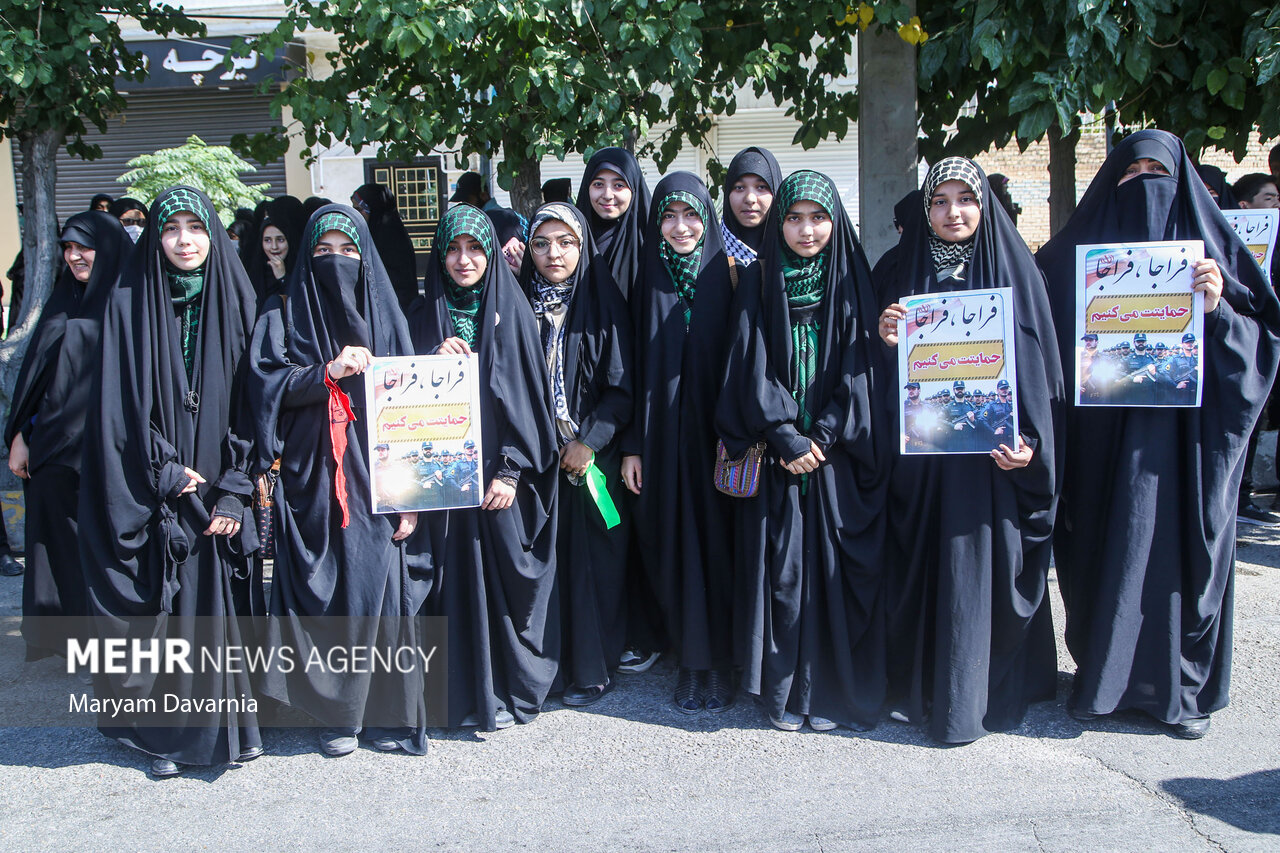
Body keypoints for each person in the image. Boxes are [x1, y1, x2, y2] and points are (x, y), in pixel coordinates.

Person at [1037, 129, 1280, 739]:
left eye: (1158, 170)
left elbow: (1262, 345)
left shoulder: (1213, 259)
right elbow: (1026, 332)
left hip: (1182, 448)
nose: (1143, 182)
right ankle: (1101, 681)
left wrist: (1219, 308)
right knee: (1100, 549)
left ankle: (1180, 690)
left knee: (1174, 556)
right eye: (1130, 171)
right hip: (1098, 441)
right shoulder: (1071, 258)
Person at [77, 186, 262, 777]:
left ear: (213, 234)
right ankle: (164, 735)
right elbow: (114, 405)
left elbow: (256, 404)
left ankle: (226, 730)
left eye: (196, 227)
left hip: (218, 479)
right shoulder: (127, 303)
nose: (185, 240)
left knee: (214, 597)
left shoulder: (237, 299)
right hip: (156, 479)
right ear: (155, 237)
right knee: (166, 601)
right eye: (171, 228)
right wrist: (161, 467)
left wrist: (235, 485)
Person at [878, 157, 1064, 744]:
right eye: (939, 201)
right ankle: (923, 687)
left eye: (965, 200)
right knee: (921, 567)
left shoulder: (1017, 270)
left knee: (981, 572)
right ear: (925, 209)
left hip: (989, 469)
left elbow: (1041, 371)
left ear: (984, 208)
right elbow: (863, 370)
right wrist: (882, 340)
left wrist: (1030, 443)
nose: (952, 212)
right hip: (921, 466)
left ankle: (978, 692)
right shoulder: (897, 271)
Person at [248, 204, 431, 756]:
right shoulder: (280, 314)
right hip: (311, 483)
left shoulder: (388, 318)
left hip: (377, 481)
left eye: (348, 250)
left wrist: (412, 496)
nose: (336, 261)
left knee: (374, 590)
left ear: (366, 256)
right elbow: (262, 389)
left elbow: (415, 412)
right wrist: (324, 372)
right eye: (323, 251)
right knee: (318, 593)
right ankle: (332, 713)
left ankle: (383, 712)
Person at [716, 169, 890, 732]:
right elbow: (748, 367)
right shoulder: (759, 282)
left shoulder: (850, 279)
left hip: (835, 463)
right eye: (794, 218)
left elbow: (864, 370)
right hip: (779, 460)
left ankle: (829, 693)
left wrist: (827, 434)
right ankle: (786, 695)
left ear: (835, 223)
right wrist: (787, 435)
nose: (806, 230)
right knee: (785, 578)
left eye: (818, 218)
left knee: (836, 576)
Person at [409, 204, 559, 730]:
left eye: (475, 248)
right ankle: (455, 693)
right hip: (444, 481)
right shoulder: (421, 317)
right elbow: (398, 403)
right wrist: (430, 358)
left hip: (498, 476)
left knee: (502, 582)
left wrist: (512, 470)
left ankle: (507, 686)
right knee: (450, 583)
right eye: (452, 248)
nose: (464, 259)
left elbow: (530, 402)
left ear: (491, 253)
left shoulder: (512, 310)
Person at [623, 172, 737, 714]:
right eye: (668, 215)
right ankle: (691, 662)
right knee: (673, 546)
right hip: (661, 442)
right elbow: (626, 367)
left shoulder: (729, 275)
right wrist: (631, 446)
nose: (680, 227)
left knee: (718, 548)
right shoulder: (642, 277)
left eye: (691, 215)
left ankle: (719, 663)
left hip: (719, 442)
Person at [517, 202, 634, 707]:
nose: (553, 253)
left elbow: (622, 388)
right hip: (532, 461)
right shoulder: (516, 303)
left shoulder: (603, 300)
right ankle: (544, 673)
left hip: (589, 459)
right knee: (544, 569)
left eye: (566, 242)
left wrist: (588, 442)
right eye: (541, 243)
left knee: (592, 567)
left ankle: (592, 670)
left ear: (583, 247)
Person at [5, 211, 129, 660]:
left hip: (112, 453)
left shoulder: (133, 301)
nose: (75, 256)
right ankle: (74, 644)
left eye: (84, 247)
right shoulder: (63, 300)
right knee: (59, 546)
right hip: (55, 453)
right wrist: (20, 435)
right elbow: (34, 379)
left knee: (107, 550)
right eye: (68, 248)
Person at [575, 148, 651, 301]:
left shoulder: (652, 243)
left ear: (634, 189)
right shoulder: (571, 241)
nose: (608, 195)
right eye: (598, 184)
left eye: (618, 185)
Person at [352, 183, 420, 309]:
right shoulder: (370, 234)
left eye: (359, 210)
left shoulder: (390, 237)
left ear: (374, 208)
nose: (355, 215)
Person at [719, 146, 783, 265]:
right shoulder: (708, 254)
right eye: (739, 188)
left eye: (761, 187)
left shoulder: (793, 254)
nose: (750, 199)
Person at [246, 195, 305, 303]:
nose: (274, 247)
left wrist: (283, 278)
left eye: (280, 240)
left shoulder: (303, 270)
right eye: (267, 240)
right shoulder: (254, 270)